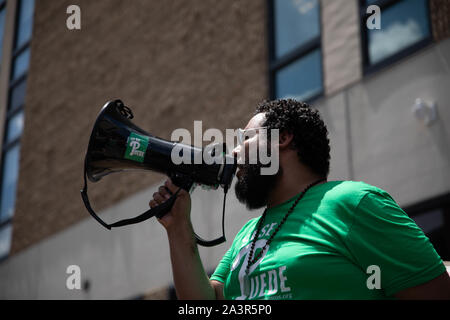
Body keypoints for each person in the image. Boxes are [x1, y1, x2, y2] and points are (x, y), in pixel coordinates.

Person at [149, 99, 450, 300]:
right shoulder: (248, 233)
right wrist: (178, 228)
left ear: (282, 138)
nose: (235, 153)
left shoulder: (353, 203)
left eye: (245, 140)